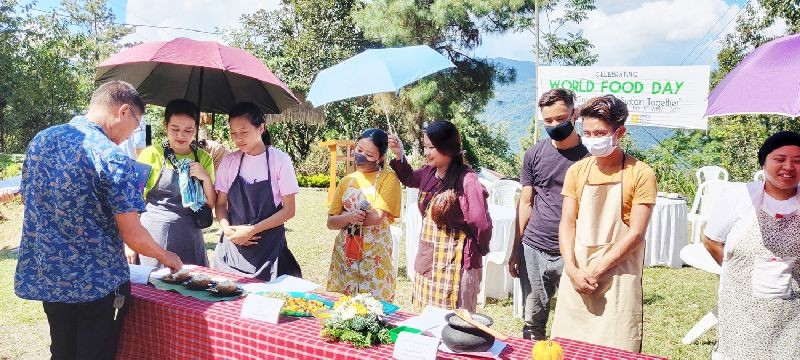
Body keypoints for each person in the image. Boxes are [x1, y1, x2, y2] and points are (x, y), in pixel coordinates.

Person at [14, 81, 182, 359]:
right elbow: (133, 235)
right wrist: (166, 256)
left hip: (50, 277)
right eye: (137, 124)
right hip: (97, 287)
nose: (132, 133)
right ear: (124, 112)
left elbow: (29, 200)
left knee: (62, 351)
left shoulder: (41, 140)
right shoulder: (111, 156)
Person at [550, 95, 656, 352]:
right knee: (568, 350)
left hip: (618, 277)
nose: (592, 139)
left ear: (620, 131)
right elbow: (567, 224)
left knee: (615, 351)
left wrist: (597, 270)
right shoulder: (577, 171)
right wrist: (573, 270)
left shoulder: (641, 173)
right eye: (587, 133)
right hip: (576, 274)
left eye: (600, 133)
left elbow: (636, 234)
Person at [703, 131, 800, 360]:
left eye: (798, 161)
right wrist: (737, 272)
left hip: (792, 313)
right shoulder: (738, 197)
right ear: (764, 162)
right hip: (742, 310)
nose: (789, 167)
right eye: (780, 159)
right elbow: (711, 241)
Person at [508, 89, 589, 340]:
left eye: (561, 119)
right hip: (534, 247)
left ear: (574, 114)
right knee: (533, 322)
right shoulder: (534, 154)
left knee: (575, 322)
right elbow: (525, 202)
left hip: (574, 250)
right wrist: (515, 248)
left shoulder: (589, 158)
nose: (554, 125)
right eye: (548, 121)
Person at [388, 120, 492, 312]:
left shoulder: (467, 180)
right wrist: (398, 153)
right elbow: (410, 178)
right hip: (430, 259)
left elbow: (481, 224)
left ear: (448, 148)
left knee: (455, 323)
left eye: (432, 147)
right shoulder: (430, 172)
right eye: (425, 146)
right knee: (429, 319)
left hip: (458, 265)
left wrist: (478, 251)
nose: (426, 152)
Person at [213, 102, 302, 281]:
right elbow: (221, 205)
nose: (238, 139)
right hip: (232, 249)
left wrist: (252, 230)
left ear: (261, 128)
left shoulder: (279, 160)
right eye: (233, 133)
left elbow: (289, 210)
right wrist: (228, 231)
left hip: (269, 252)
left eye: (244, 132)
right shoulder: (229, 162)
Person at [131, 99, 216, 267]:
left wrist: (204, 177)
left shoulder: (204, 158)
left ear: (196, 130)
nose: (181, 136)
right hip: (152, 236)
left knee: (191, 287)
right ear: (165, 126)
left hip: (189, 235)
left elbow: (211, 202)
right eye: (175, 129)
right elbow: (132, 199)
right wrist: (129, 243)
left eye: (188, 130)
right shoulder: (151, 154)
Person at [327, 129, 402, 301]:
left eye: (368, 154)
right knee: (347, 309)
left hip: (374, 254)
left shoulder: (388, 178)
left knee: (375, 307)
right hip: (347, 252)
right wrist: (349, 217)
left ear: (380, 158)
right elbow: (331, 222)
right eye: (359, 150)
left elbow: (377, 217)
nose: (361, 156)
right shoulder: (347, 181)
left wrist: (347, 217)